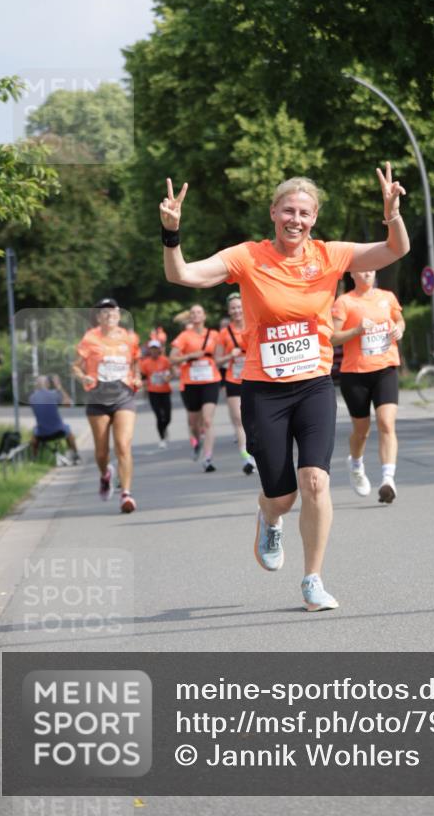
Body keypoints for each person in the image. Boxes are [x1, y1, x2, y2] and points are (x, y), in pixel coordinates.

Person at [160, 163, 409, 611]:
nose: (296, 219)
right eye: (289, 210)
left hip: (313, 382)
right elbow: (182, 275)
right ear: (274, 212)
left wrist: (392, 212)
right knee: (283, 495)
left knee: (315, 481)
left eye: (305, 213)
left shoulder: (330, 255)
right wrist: (171, 233)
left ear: (314, 219)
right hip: (263, 388)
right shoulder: (247, 257)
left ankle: (313, 578)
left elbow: (394, 250)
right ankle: (269, 518)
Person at [331, 270, 405, 504]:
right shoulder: (345, 302)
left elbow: (399, 319)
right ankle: (356, 464)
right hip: (355, 374)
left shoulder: (387, 297)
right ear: (353, 274)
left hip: (385, 368)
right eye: (362, 270)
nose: (367, 274)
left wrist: (399, 329)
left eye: (371, 270)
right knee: (361, 431)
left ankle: (387, 480)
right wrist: (356, 330)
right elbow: (332, 337)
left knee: (386, 423)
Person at [71, 299, 141, 513]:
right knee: (102, 453)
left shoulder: (129, 338)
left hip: (124, 396)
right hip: (98, 398)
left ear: (119, 314)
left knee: (123, 445)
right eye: (104, 311)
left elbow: (136, 361)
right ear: (98, 317)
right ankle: (105, 474)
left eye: (112, 310)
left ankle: (126, 495)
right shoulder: (90, 338)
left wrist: (137, 377)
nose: (108, 314)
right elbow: (75, 366)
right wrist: (83, 378)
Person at [170, 304, 221, 470]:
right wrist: (191, 355)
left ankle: (208, 458)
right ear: (190, 317)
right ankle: (196, 441)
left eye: (199, 312)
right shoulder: (184, 336)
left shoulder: (214, 335)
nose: (196, 315)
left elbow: (220, 357)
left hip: (210, 380)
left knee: (207, 420)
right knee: (194, 424)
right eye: (192, 313)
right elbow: (172, 359)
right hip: (190, 383)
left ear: (204, 316)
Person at [214, 292, 256, 476]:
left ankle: (258, 452)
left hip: (255, 377)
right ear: (229, 311)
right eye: (233, 308)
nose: (237, 310)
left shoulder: (255, 324)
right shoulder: (224, 334)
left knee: (257, 419)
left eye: (239, 306)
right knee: (239, 420)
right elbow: (217, 361)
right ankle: (246, 457)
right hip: (233, 379)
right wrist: (229, 356)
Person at [28, 374, 81, 462]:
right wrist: (59, 387)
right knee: (69, 433)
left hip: (41, 433)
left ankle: (34, 458)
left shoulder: (32, 398)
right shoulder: (54, 394)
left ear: (37, 385)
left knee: (34, 434)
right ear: (48, 384)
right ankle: (76, 456)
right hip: (59, 431)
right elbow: (69, 404)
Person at [140, 339, 172, 448]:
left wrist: (167, 378)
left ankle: (164, 428)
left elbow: (170, 373)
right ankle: (162, 438)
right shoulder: (145, 363)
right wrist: (144, 391)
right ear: (149, 350)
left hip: (165, 391)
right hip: (153, 392)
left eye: (156, 349)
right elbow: (144, 378)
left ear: (159, 350)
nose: (154, 351)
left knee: (167, 417)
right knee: (159, 416)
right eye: (152, 349)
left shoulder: (165, 361)